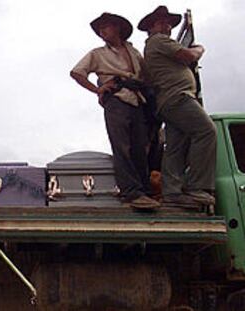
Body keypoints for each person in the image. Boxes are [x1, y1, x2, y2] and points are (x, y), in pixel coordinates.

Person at [70, 12, 160, 210]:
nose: (102, 31)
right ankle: (131, 193)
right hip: (116, 99)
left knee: (140, 146)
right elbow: (77, 72)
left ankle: (144, 191)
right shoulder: (98, 53)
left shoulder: (134, 52)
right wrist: (98, 89)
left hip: (137, 100)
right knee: (122, 146)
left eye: (106, 26)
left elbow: (148, 76)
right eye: (100, 29)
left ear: (117, 28)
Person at [138, 6, 217, 205]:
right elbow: (189, 56)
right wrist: (199, 49)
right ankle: (197, 187)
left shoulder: (152, 45)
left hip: (169, 101)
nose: (167, 26)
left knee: (175, 147)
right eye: (161, 22)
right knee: (207, 131)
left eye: (169, 23)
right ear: (151, 27)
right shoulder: (159, 40)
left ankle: (172, 192)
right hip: (178, 97)